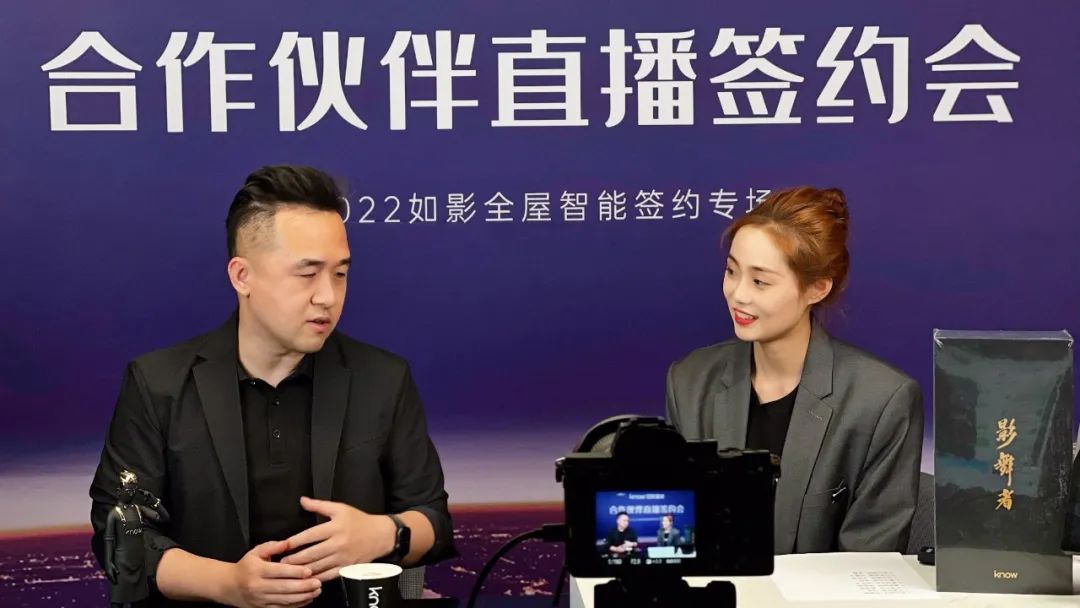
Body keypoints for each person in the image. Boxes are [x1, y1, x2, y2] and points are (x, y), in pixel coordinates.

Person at [90, 165, 456, 607]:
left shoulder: (383, 379)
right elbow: (121, 534)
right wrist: (229, 584)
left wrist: (384, 532)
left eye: (340, 274)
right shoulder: (158, 384)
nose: (328, 296)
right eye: (307, 273)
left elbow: (434, 520)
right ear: (242, 276)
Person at [666, 186, 923, 554]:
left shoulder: (881, 401)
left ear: (816, 289)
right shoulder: (690, 381)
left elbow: (870, 561)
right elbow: (679, 532)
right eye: (731, 271)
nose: (738, 294)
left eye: (760, 281)